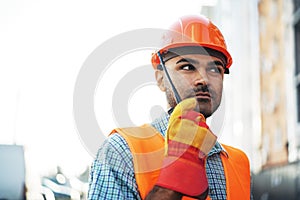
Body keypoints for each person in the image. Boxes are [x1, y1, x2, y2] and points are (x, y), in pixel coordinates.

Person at [88, 14, 251, 200]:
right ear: (161, 80)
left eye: (215, 69)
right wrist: (173, 181)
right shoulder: (120, 151)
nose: (203, 80)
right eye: (187, 67)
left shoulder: (239, 163)